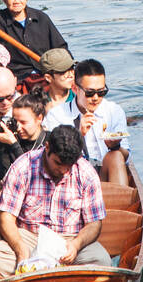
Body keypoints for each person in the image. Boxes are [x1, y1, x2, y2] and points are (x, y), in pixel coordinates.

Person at [0, 125, 111, 276]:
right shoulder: (22, 166)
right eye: (58, 163)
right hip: (29, 236)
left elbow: (94, 224)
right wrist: (21, 250)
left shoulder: (87, 173)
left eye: (69, 166)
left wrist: (76, 245)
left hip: (69, 239)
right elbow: (6, 218)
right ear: (47, 147)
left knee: (102, 261)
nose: (63, 171)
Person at [44, 58, 130, 186]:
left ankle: (120, 201)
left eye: (101, 92)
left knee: (116, 156)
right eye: (90, 93)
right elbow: (52, 158)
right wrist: (79, 136)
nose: (96, 98)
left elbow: (126, 155)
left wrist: (114, 146)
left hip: (104, 171)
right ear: (75, 88)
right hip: (72, 173)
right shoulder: (56, 115)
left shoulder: (114, 111)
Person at [0, 94, 50, 185]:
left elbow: (35, 179)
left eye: (23, 122)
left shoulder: (50, 141)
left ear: (39, 118)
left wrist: (14, 145)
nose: (19, 127)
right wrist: (0, 142)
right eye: (16, 122)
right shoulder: (13, 138)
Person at [33, 48, 76, 122]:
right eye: (63, 72)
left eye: (72, 68)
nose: (71, 75)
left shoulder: (80, 99)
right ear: (48, 78)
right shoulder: (38, 105)